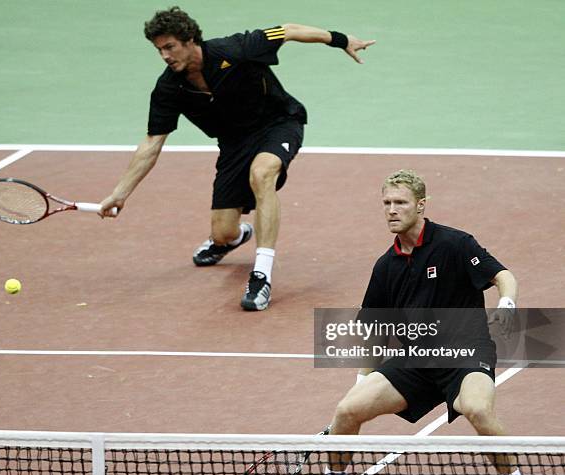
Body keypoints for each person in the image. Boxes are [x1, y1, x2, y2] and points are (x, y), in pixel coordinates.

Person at [99, 7, 375, 311]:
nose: (164, 55)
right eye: (159, 50)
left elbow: (287, 30)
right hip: (233, 145)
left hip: (278, 123)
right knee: (223, 231)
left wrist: (340, 39)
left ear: (190, 40)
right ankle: (233, 238)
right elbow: (153, 143)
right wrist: (120, 193)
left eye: (169, 47)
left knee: (262, 173)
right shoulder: (169, 88)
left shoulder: (237, 48)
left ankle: (261, 275)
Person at [313, 170, 535, 475]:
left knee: (476, 408)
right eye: (386, 202)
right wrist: (361, 379)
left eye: (400, 202)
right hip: (417, 360)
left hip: (465, 354)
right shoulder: (386, 266)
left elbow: (502, 276)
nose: (391, 210)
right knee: (346, 411)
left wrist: (507, 303)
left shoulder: (454, 244)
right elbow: (376, 330)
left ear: (420, 205)